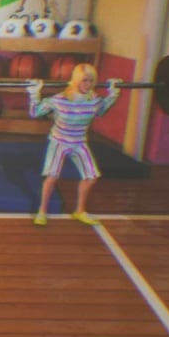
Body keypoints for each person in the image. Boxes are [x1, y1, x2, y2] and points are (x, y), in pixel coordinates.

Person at [27, 63, 121, 226]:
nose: (88, 84)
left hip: (79, 142)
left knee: (91, 177)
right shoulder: (59, 99)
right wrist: (34, 94)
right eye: (84, 80)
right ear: (76, 80)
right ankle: (42, 211)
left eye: (91, 81)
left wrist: (114, 93)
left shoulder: (94, 101)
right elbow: (35, 112)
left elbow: (102, 110)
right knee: (52, 177)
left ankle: (80, 211)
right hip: (59, 141)